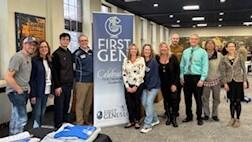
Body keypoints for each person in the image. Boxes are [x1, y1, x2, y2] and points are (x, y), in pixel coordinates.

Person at [5, 36, 36, 135]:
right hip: (15, 92)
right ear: (24, 44)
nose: (32, 46)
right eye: (29, 43)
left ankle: (13, 137)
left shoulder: (28, 57)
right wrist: (18, 89)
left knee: (16, 117)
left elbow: (24, 76)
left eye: (34, 44)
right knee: (22, 118)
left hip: (23, 91)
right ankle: (18, 138)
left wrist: (27, 88)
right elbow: (8, 76)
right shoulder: (18, 57)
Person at [180, 34, 208, 126]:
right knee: (187, 99)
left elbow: (205, 66)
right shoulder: (185, 52)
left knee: (198, 99)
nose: (193, 40)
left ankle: (199, 117)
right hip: (187, 77)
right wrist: (181, 76)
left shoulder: (203, 52)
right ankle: (189, 116)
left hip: (197, 78)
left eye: (195, 39)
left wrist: (202, 79)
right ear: (189, 40)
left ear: (198, 40)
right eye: (192, 39)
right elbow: (182, 65)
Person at [220, 42, 247, 128]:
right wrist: (224, 83)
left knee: (238, 101)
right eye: (229, 46)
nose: (231, 48)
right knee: (231, 101)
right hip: (229, 82)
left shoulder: (240, 57)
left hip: (238, 81)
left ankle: (238, 119)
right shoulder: (224, 58)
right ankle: (232, 118)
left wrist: (245, 81)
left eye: (233, 46)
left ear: (235, 48)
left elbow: (244, 69)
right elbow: (222, 72)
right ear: (226, 48)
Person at [52, 33, 74, 128]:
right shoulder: (56, 54)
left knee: (66, 105)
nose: (65, 41)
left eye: (67, 39)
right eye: (63, 39)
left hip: (69, 84)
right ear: (60, 40)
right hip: (60, 85)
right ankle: (58, 125)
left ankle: (65, 124)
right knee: (59, 106)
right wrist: (57, 86)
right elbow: (54, 72)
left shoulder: (69, 53)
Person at [29, 40, 53, 128]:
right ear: (38, 49)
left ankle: (40, 130)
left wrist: (51, 90)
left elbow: (50, 77)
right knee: (37, 113)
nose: (44, 49)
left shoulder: (49, 60)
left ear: (48, 49)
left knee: (42, 112)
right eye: (42, 47)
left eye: (45, 47)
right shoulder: (34, 61)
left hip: (46, 90)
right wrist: (33, 95)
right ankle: (35, 131)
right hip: (37, 92)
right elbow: (32, 79)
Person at [122, 43, 145, 129]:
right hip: (128, 85)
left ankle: (137, 121)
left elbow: (142, 73)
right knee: (129, 103)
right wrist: (127, 86)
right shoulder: (125, 60)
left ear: (137, 50)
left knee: (137, 103)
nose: (133, 50)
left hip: (138, 85)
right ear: (129, 50)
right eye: (131, 49)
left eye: (135, 49)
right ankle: (131, 120)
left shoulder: (141, 59)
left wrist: (136, 86)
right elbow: (124, 73)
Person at [157, 42, 180, 127]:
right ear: (160, 49)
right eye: (162, 47)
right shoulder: (157, 58)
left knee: (174, 100)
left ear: (168, 48)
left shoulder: (173, 57)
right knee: (166, 101)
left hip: (173, 83)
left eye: (165, 47)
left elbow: (178, 71)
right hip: (163, 84)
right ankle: (169, 117)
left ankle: (174, 118)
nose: (163, 49)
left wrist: (174, 84)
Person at [140, 44, 160, 133]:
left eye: (148, 50)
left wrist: (150, 88)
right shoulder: (141, 60)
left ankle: (148, 125)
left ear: (151, 51)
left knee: (148, 102)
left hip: (153, 86)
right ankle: (155, 119)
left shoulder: (154, 62)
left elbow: (154, 76)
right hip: (145, 86)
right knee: (144, 103)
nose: (147, 51)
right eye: (145, 49)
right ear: (143, 51)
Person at [73, 34, 93, 125]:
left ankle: (86, 120)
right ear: (79, 42)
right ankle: (79, 122)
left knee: (88, 103)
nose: (84, 42)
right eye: (82, 41)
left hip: (92, 81)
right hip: (81, 82)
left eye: (85, 40)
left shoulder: (92, 52)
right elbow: (72, 68)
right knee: (80, 103)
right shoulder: (76, 54)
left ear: (87, 41)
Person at [202, 40, 222, 122]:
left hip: (216, 80)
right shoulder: (202, 54)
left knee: (216, 99)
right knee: (205, 99)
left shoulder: (219, 55)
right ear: (205, 46)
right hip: (205, 80)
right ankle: (206, 114)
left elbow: (222, 67)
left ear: (214, 45)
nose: (210, 45)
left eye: (212, 44)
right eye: (208, 44)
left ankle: (215, 115)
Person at [169, 33, 184, 117]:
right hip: (168, 74)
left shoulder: (182, 49)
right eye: (174, 38)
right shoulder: (167, 48)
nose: (175, 40)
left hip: (178, 74)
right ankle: (168, 109)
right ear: (171, 39)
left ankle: (176, 110)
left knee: (177, 94)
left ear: (179, 39)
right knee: (168, 93)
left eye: (177, 39)